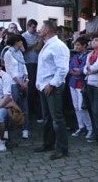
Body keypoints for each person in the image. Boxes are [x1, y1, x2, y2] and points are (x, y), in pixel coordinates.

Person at [33, 20, 69, 160]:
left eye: (42, 27)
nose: (39, 30)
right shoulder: (47, 44)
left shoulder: (58, 46)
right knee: (48, 117)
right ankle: (48, 143)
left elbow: (62, 69)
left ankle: (62, 149)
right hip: (44, 86)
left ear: (48, 30)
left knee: (57, 119)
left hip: (52, 87)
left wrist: (52, 84)